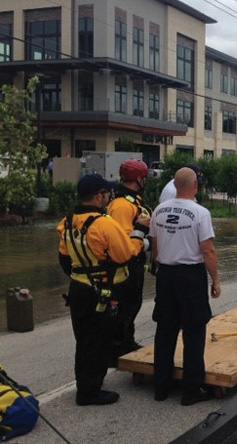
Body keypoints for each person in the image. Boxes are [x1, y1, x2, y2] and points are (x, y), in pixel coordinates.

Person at [57, 174, 150, 406]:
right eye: (106, 194)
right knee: (98, 341)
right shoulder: (105, 224)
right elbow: (125, 254)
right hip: (100, 290)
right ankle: (90, 392)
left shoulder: (67, 222)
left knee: (84, 340)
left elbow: (64, 258)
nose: (109, 197)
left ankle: (86, 385)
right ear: (99, 196)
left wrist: (81, 274)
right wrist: (139, 231)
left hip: (78, 287)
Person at [150, 167, 221, 405]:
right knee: (193, 331)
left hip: (166, 274)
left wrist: (161, 268)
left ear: (174, 185)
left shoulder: (159, 210)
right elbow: (208, 250)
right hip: (190, 276)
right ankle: (191, 391)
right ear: (195, 187)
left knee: (165, 330)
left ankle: (161, 386)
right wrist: (215, 280)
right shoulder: (200, 213)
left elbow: (155, 244)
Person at [107, 159, 152, 358]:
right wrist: (145, 239)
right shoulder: (122, 205)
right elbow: (122, 241)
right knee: (125, 307)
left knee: (133, 305)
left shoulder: (133, 201)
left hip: (134, 261)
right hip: (124, 265)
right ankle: (119, 346)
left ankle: (126, 341)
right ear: (139, 178)